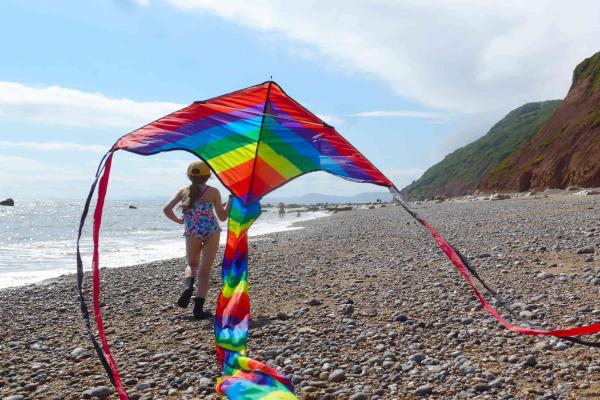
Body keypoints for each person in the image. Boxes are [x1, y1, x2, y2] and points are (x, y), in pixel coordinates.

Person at [163, 160, 232, 319]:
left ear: (189, 176)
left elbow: (166, 209)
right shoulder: (213, 191)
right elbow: (222, 217)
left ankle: (188, 286)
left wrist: (179, 221)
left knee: (192, 265)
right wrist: (230, 199)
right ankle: (198, 310)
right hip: (212, 231)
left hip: (192, 232)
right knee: (204, 272)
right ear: (208, 176)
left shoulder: (183, 191)